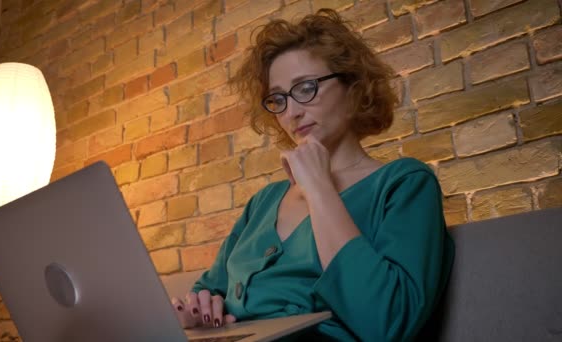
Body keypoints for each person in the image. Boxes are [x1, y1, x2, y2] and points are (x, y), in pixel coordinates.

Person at [170, 9, 454, 341]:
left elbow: (388, 322)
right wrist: (200, 311)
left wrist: (319, 187)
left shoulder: (404, 184)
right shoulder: (263, 202)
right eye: (278, 99)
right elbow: (209, 289)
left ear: (353, 87)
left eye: (305, 88)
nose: (292, 112)